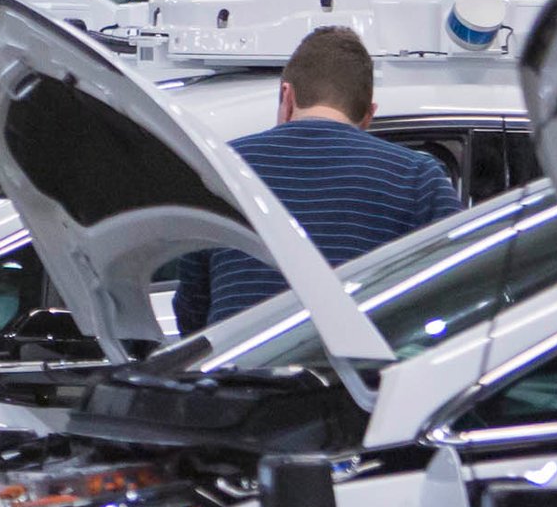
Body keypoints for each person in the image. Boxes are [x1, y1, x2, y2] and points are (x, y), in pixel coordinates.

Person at [171, 25, 459, 334]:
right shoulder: (417, 177)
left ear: (287, 95)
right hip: (357, 379)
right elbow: (456, 297)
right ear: (369, 115)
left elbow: (192, 308)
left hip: (238, 375)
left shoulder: (222, 168)